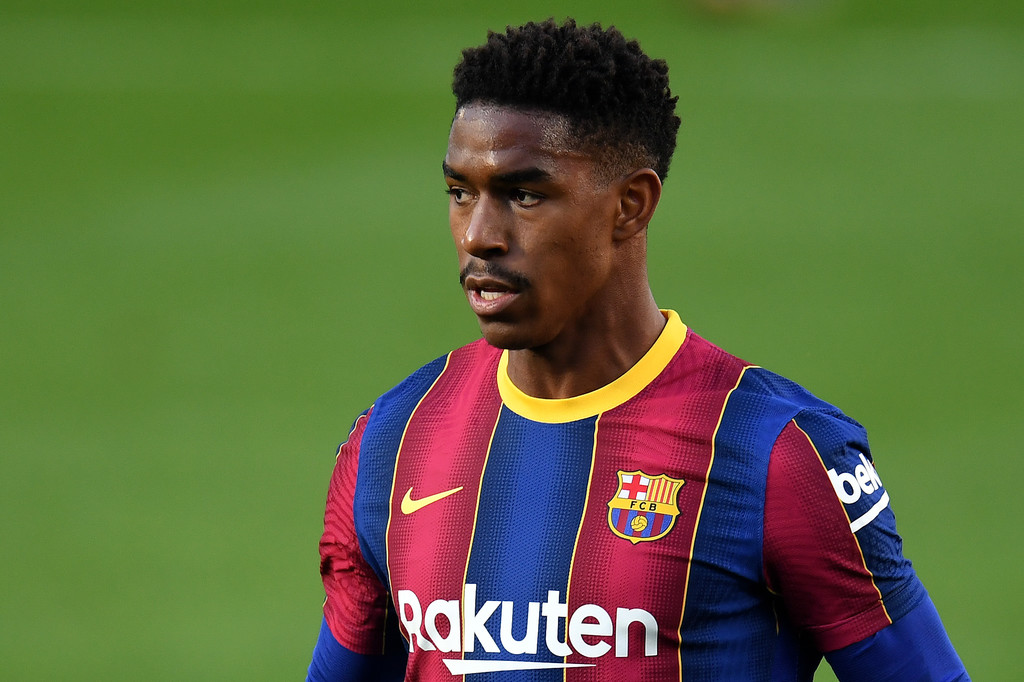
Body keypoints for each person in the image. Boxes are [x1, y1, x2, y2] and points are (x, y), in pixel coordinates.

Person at [306, 18, 969, 681]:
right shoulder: (391, 444)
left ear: (630, 205)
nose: (479, 234)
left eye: (524, 195)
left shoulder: (777, 453)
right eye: (460, 192)